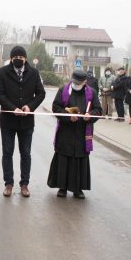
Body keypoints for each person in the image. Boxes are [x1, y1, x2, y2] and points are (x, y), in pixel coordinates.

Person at [0, 45, 46, 197]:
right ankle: (8, 184)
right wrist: (12, 107)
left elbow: (41, 94)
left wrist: (30, 107)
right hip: (7, 121)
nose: (18, 60)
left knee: (26, 153)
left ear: (25, 59)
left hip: (26, 121)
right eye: (15, 57)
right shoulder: (3, 72)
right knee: (7, 153)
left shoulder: (34, 73)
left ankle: (24, 184)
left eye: (21, 58)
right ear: (11, 59)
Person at [48, 70, 102, 199]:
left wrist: (90, 115)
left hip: (82, 132)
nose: (76, 84)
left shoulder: (92, 93)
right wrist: (68, 116)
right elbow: (56, 107)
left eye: (79, 83)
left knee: (79, 159)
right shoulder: (63, 90)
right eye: (74, 82)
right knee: (63, 158)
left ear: (85, 82)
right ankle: (62, 187)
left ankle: (78, 189)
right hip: (65, 131)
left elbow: (98, 110)